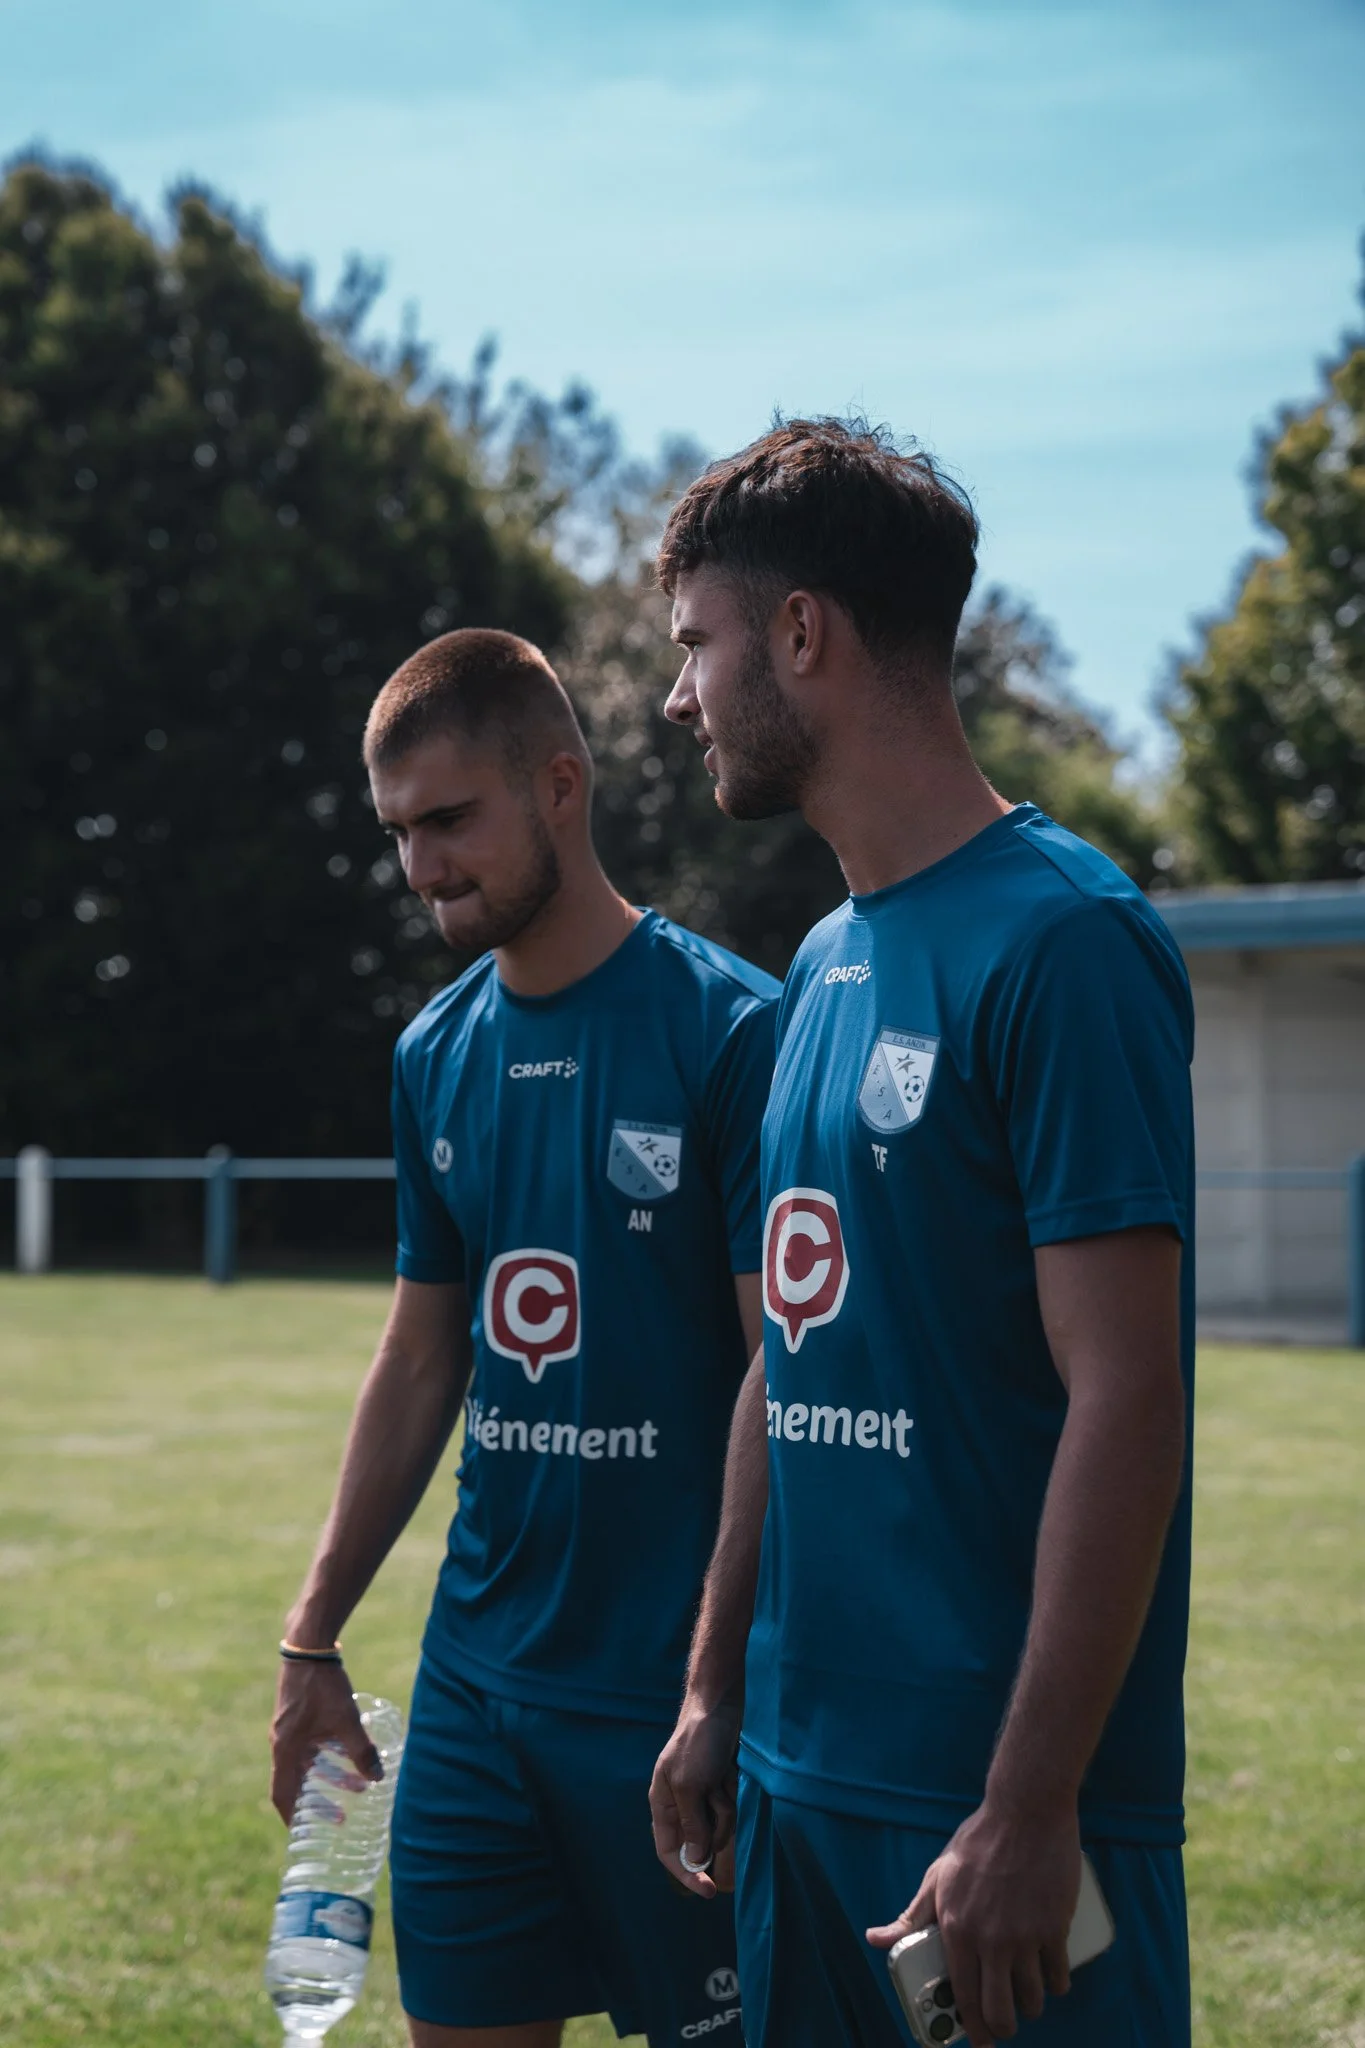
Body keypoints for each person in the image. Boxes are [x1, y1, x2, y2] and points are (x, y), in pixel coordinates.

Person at [647, 420, 1195, 2048]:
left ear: (800, 634)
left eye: (696, 644)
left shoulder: (1069, 942)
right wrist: (711, 1692)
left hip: (991, 1829)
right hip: (792, 1790)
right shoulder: (816, 966)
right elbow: (783, 1363)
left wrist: (1030, 1806)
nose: (679, 696)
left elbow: (1129, 1397)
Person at [271, 628, 777, 2048]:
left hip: (673, 1701)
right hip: (481, 1692)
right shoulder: (433, 1054)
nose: (420, 867)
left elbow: (780, 1379)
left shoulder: (729, 1029)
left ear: (561, 785)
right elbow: (423, 1356)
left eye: (449, 821)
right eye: (397, 833)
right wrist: (313, 1635)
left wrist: (722, 1678)